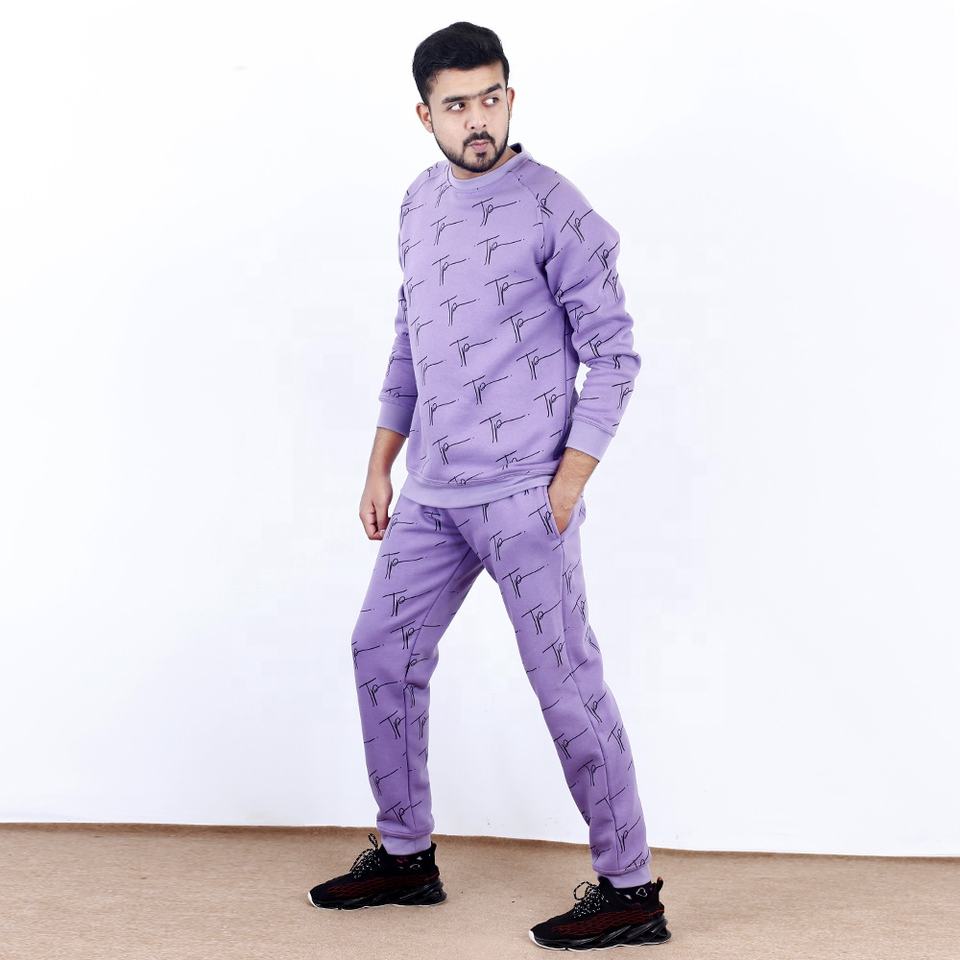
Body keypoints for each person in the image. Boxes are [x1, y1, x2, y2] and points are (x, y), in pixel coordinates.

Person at [307, 21, 671, 950]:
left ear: (512, 97)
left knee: (566, 684)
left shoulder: (556, 207)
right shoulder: (418, 202)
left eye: (492, 97)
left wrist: (567, 483)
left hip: (524, 496)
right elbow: (411, 338)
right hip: (431, 494)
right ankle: (405, 854)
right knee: (379, 650)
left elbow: (615, 354)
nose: (479, 118)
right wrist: (381, 462)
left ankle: (631, 888)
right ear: (424, 114)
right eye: (458, 104)